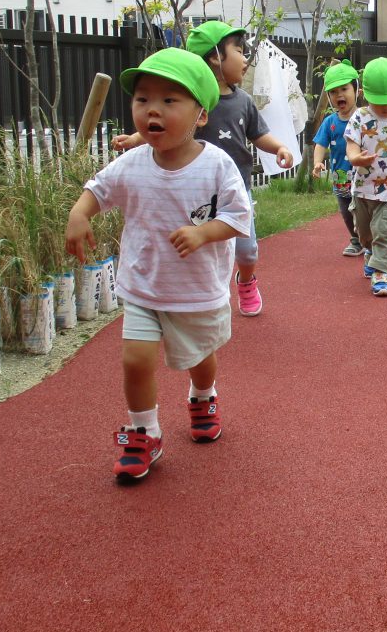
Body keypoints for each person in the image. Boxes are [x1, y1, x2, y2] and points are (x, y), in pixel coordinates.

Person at [66, 48, 252, 481]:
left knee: (201, 357)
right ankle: (144, 431)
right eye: (143, 99)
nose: (152, 109)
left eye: (170, 101)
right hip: (144, 287)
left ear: (200, 115)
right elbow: (100, 188)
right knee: (135, 359)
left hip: (197, 290)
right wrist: (80, 213)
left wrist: (204, 233)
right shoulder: (132, 163)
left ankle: (203, 395)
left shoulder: (216, 165)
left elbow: (238, 216)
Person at [115, 21, 294, 316]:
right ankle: (195, 294)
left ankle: (246, 280)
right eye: (239, 50)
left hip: (236, 191)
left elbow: (258, 134)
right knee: (196, 244)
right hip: (193, 193)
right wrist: (136, 138)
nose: (246, 58)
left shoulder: (243, 102)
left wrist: (279, 148)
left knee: (246, 250)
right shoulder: (191, 102)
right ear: (215, 57)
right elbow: (164, 126)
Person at [344, 57, 387, 296]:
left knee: (385, 231)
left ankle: (381, 272)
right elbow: (351, 145)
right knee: (365, 234)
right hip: (363, 188)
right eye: (379, 102)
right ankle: (369, 252)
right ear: (365, 95)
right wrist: (355, 158)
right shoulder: (360, 117)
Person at [311, 59, 364, 256]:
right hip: (341, 177)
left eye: (344, 89)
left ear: (357, 90)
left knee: (363, 211)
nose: (339, 95)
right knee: (346, 212)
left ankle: (370, 238)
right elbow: (320, 144)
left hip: (363, 177)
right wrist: (318, 162)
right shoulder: (329, 122)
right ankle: (355, 239)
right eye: (333, 92)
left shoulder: (365, 118)